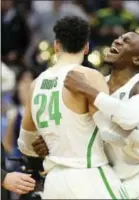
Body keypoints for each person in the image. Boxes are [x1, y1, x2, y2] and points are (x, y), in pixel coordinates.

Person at [32, 28, 139, 199]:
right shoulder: (97, 85)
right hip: (104, 179)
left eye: (126, 41)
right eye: (118, 38)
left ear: (137, 59)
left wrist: (87, 89)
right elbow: (88, 132)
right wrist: (52, 142)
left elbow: (128, 118)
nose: (117, 41)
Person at [17, 16, 126, 199]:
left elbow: (25, 144)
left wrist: (43, 145)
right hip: (88, 176)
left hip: (54, 183)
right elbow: (113, 135)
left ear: (56, 46)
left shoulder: (36, 84)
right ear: (87, 47)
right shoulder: (89, 77)